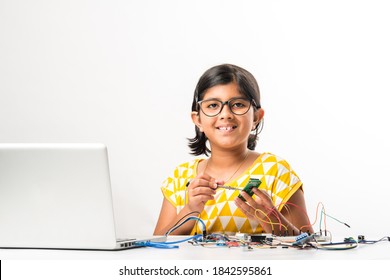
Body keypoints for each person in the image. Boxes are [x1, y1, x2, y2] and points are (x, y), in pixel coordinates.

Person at [154, 64, 313, 236]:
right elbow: (154, 245)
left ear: (256, 117)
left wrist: (271, 218)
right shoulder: (181, 177)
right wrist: (190, 210)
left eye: (237, 104)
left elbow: (309, 246)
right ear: (197, 119)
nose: (225, 114)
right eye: (213, 105)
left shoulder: (276, 172)